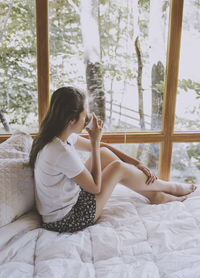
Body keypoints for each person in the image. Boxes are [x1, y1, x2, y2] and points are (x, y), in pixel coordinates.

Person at [29, 86, 196, 233]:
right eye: (84, 114)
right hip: (67, 219)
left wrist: (136, 163)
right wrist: (94, 142)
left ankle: (154, 195)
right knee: (117, 167)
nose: (87, 118)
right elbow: (95, 187)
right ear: (71, 120)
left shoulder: (58, 136)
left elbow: (102, 149)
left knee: (104, 155)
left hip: (67, 204)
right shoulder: (59, 151)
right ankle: (170, 186)